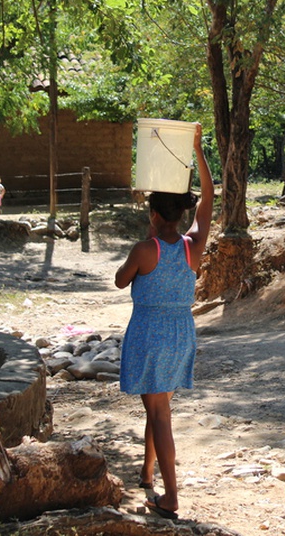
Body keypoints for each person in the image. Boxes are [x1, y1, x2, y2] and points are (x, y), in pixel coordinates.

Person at [115, 123, 214, 521]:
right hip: (180, 333)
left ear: (154, 215)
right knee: (157, 405)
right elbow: (209, 196)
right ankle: (147, 469)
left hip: (149, 333)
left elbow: (122, 280)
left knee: (158, 413)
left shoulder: (144, 248)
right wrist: (197, 150)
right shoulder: (193, 246)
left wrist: (144, 245)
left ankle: (170, 495)